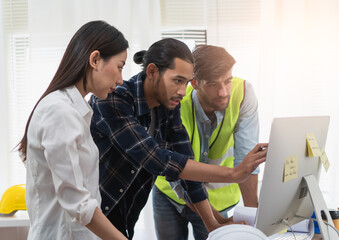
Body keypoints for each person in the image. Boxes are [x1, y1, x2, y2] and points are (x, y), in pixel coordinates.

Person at [89, 38, 267, 240]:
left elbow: (186, 170)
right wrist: (233, 174)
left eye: (185, 82)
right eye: (177, 80)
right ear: (152, 72)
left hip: (124, 215)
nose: (183, 91)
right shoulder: (112, 100)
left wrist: (215, 225)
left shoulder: (169, 107)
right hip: (90, 217)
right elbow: (154, 158)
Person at [17, 21, 128, 240]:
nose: (120, 79)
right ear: (95, 59)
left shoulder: (75, 110)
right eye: (119, 66)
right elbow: (77, 202)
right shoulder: (59, 111)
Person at [153, 45, 261, 240]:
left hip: (219, 199)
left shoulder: (243, 94)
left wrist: (255, 224)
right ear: (194, 83)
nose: (223, 92)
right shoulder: (174, 105)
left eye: (227, 81)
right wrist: (215, 221)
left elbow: (247, 161)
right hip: (170, 193)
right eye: (213, 84)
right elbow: (179, 176)